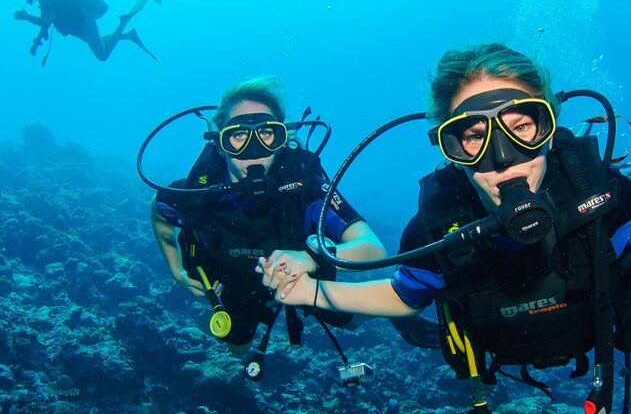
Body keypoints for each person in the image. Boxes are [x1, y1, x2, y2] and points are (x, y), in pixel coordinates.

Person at [264, 43, 631, 412]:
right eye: (473, 137)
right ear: (448, 148)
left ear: (551, 126)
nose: (502, 161)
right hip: (497, 365)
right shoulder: (439, 223)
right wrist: (306, 291)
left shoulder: (601, 193)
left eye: (522, 127)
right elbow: (404, 294)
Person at [150, 77, 434, 381]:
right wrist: (177, 272)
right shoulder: (198, 193)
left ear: (282, 138)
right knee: (235, 347)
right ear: (219, 142)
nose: (254, 150)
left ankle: (387, 312)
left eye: (267, 134)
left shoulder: (305, 189)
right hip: (237, 284)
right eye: (238, 137)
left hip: (306, 279)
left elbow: (370, 247)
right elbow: (159, 212)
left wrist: (312, 258)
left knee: (350, 322)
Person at [13, 0, 161, 63]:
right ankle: (127, 35)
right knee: (101, 41)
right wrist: (36, 42)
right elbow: (46, 23)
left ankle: (123, 22)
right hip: (79, 25)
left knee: (102, 55)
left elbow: (46, 22)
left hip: (82, 22)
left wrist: (27, 17)